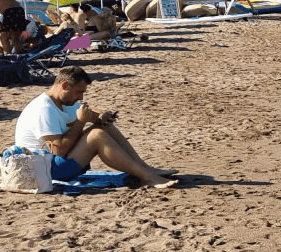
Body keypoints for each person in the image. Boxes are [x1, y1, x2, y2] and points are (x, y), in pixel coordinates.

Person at [14, 66, 176, 187]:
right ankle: (146, 176)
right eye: (78, 92)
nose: (81, 97)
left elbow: (87, 112)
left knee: (103, 127)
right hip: (45, 170)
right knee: (96, 135)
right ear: (64, 86)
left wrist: (101, 116)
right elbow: (59, 150)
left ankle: (145, 168)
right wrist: (81, 122)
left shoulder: (65, 101)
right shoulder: (44, 109)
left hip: (56, 162)